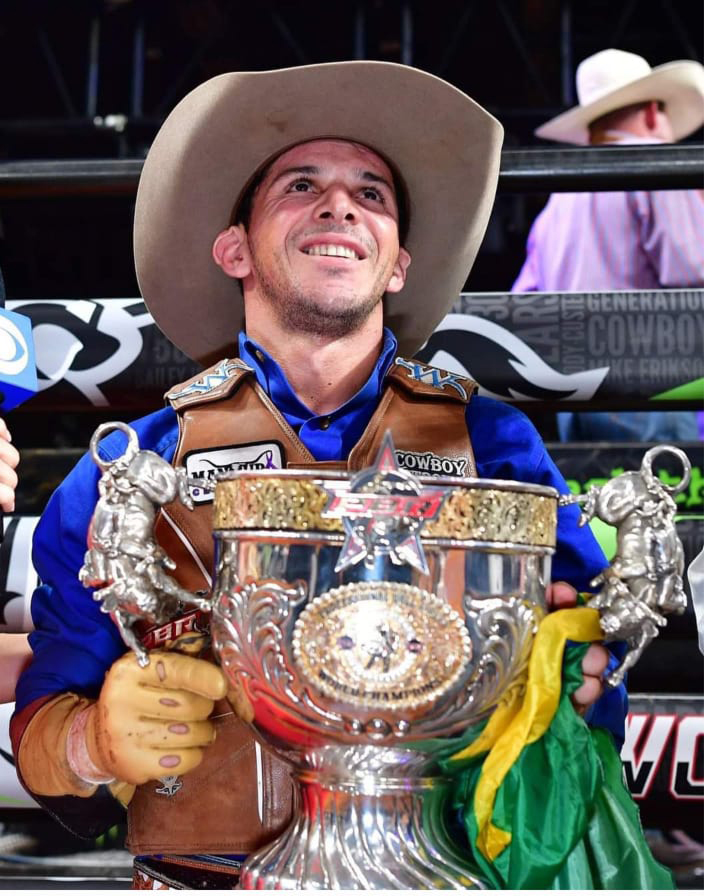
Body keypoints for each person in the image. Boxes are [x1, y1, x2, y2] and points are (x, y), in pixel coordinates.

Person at [10, 62, 657, 889]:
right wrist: (90, 740)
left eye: (373, 194)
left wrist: (577, 679)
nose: (341, 204)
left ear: (396, 265)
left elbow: (591, 692)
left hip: (447, 874)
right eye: (301, 183)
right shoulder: (130, 474)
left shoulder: (496, 448)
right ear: (233, 248)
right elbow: (44, 728)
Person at [513, 48, 704, 442]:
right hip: (653, 383)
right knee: (667, 500)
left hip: (573, 391)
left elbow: (524, 299)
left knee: (591, 500)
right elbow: (694, 269)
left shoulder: (558, 197)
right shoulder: (659, 167)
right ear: (653, 112)